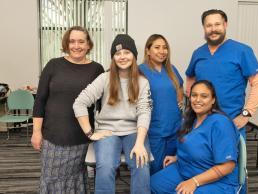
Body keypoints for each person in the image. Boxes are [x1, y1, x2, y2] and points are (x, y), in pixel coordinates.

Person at [73, 34, 152, 194]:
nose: (122, 57)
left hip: (134, 131)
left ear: (134, 56)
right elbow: (79, 103)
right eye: (118, 53)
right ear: (113, 57)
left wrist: (139, 143)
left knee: (141, 164)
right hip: (108, 131)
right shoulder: (104, 78)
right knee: (106, 166)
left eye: (127, 52)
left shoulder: (142, 82)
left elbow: (144, 111)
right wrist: (90, 132)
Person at [31, 26, 104, 193]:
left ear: (88, 45)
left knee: (76, 178)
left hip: (80, 137)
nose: (76, 46)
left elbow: (103, 104)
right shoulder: (53, 65)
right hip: (52, 136)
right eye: (72, 41)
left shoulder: (97, 69)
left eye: (81, 41)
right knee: (51, 177)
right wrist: (36, 131)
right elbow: (40, 101)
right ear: (66, 43)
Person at [185, 9, 258, 138]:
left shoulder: (242, 51)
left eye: (217, 24)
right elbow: (190, 78)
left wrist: (246, 114)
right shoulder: (198, 53)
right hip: (200, 124)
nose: (213, 29)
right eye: (209, 25)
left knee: (227, 158)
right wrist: (192, 106)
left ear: (225, 25)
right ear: (204, 28)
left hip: (230, 123)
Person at [151, 80, 239, 194]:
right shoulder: (190, 119)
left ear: (213, 100)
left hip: (218, 181)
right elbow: (193, 146)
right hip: (185, 170)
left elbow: (228, 166)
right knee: (151, 185)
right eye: (194, 95)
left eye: (204, 96)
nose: (198, 100)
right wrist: (178, 157)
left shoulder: (221, 124)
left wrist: (194, 181)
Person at [139, 34, 184, 175]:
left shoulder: (171, 69)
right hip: (155, 131)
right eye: (157, 47)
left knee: (173, 167)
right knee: (156, 169)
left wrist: (180, 103)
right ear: (147, 50)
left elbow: (179, 87)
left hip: (175, 128)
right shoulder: (140, 71)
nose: (162, 51)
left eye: (165, 48)